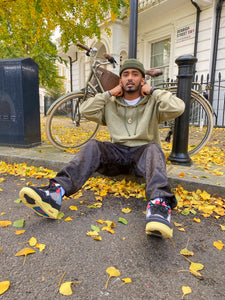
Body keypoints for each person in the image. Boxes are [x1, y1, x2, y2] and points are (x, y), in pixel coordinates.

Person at [19, 59, 185, 239]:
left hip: (143, 156)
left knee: (154, 149)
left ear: (142, 80)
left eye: (135, 74)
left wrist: (153, 91)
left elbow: (178, 107)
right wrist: (108, 94)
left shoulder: (153, 102)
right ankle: (55, 192)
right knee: (93, 146)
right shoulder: (111, 103)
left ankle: (159, 207)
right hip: (117, 154)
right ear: (120, 80)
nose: (130, 78)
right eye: (125, 74)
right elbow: (85, 110)